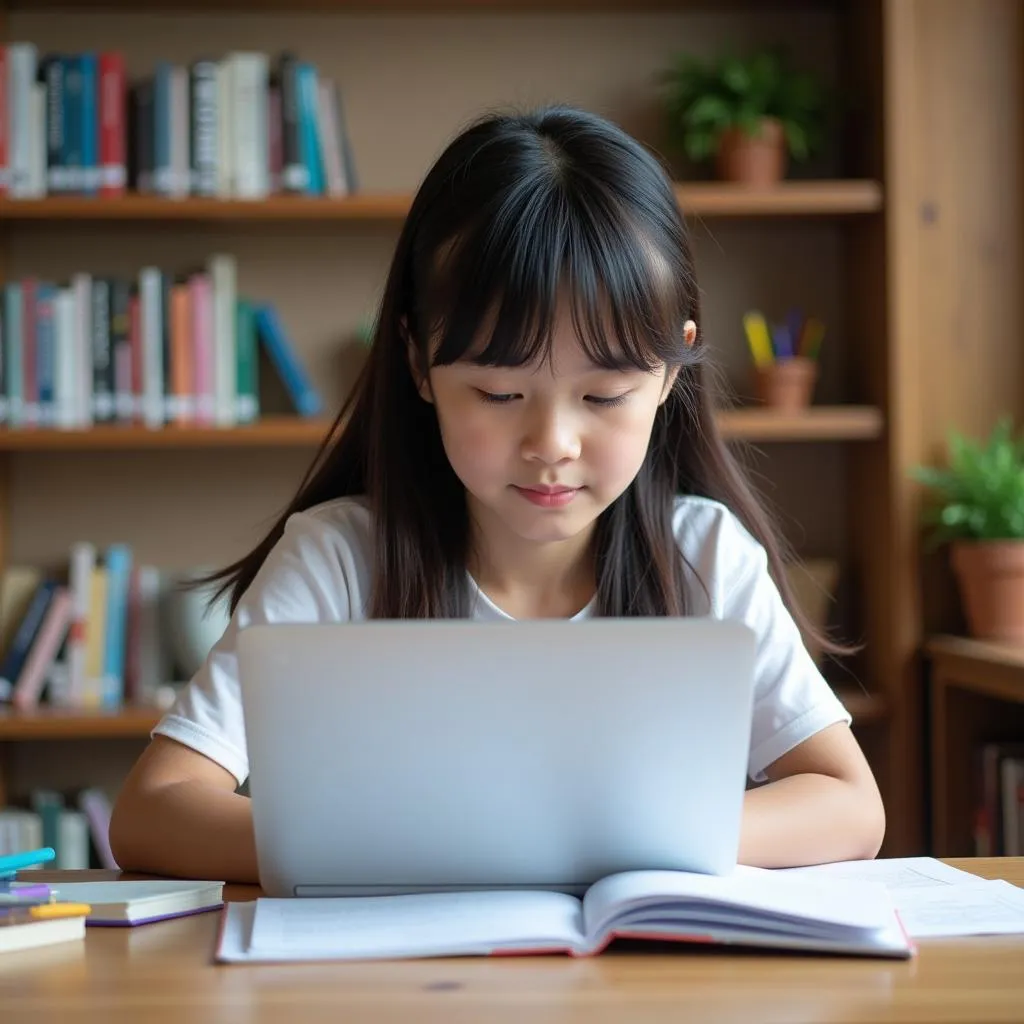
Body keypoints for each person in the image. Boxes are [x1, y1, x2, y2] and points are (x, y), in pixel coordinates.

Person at [109, 105, 885, 884]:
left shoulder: (704, 558)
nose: (552, 444)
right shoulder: (338, 561)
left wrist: (590, 843)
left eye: (606, 395)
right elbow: (154, 810)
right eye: (499, 393)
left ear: (673, 370)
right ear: (418, 363)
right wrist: (442, 849)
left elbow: (849, 806)